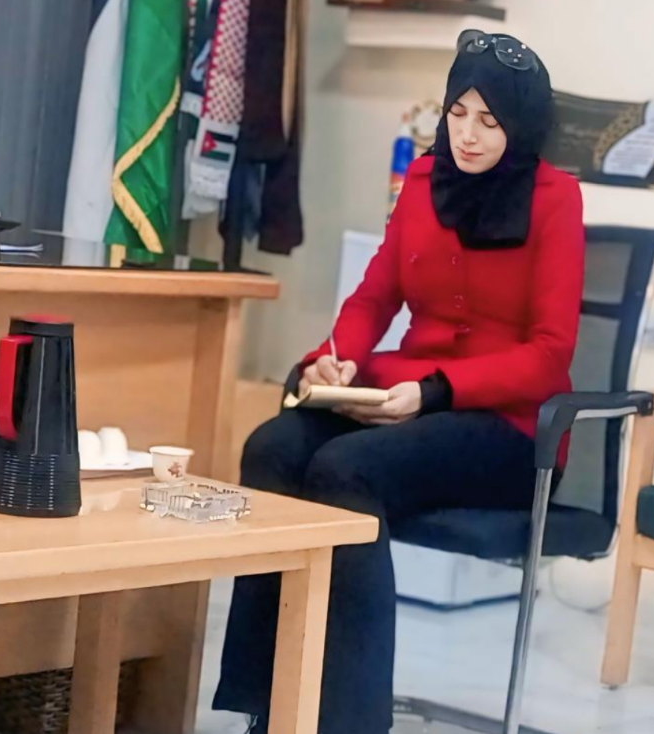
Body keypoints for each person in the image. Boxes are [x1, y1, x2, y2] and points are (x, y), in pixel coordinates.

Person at [214, 31, 584, 734]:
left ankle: (347, 723)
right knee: (273, 447)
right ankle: (273, 704)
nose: (468, 135)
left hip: (509, 431)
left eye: (490, 121)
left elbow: (549, 354)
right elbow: (374, 298)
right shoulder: (422, 181)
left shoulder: (556, 199)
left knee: (346, 469)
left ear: (522, 124)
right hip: (405, 400)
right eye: (457, 113)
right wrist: (336, 360)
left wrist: (435, 391)